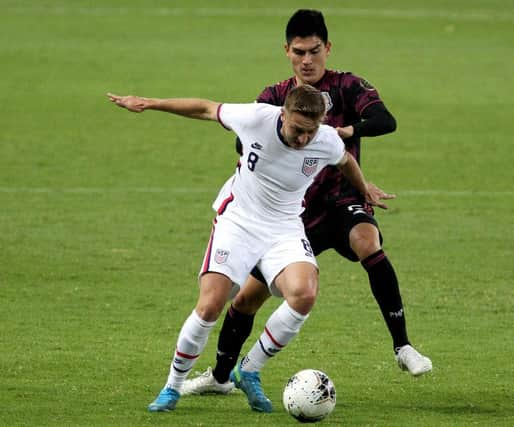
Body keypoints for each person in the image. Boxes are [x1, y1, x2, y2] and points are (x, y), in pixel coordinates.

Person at [181, 8, 432, 411]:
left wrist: (348, 132)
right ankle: (221, 375)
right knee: (246, 300)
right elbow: (242, 142)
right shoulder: (273, 98)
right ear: (287, 52)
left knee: (367, 241)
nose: (307, 60)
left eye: (315, 51)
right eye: (299, 52)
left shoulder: (347, 86)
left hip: (343, 202)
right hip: (288, 221)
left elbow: (385, 120)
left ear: (327, 49)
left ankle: (403, 346)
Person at [106, 84, 384, 413]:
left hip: (284, 229)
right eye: (297, 129)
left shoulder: (325, 139)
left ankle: (248, 369)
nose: (302, 139)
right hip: (238, 223)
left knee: (304, 294)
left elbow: (345, 160)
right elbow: (205, 107)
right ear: (283, 114)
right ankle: (172, 386)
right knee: (211, 304)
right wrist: (150, 103)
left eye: (310, 132)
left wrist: (364, 188)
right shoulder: (255, 118)